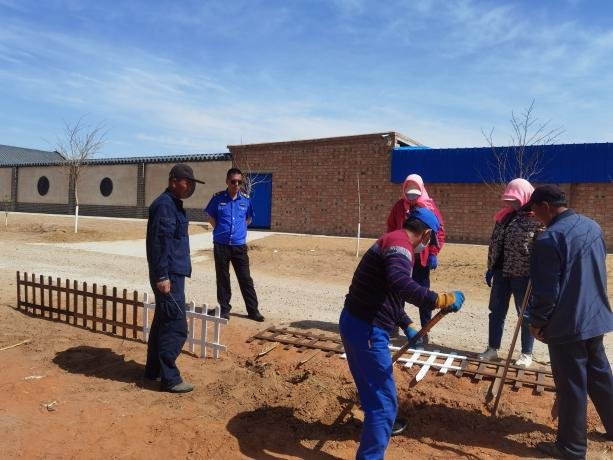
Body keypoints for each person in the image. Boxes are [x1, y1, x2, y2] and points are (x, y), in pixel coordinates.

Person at [340, 207, 465, 460]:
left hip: (354, 322)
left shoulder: (393, 240)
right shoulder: (401, 247)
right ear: (426, 233)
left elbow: (388, 292)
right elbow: (400, 283)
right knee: (385, 404)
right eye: (431, 239)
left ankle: (377, 426)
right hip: (367, 331)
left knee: (369, 390)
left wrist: (407, 323)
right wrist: (439, 299)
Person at [527, 185, 613, 459]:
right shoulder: (591, 227)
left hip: (568, 324)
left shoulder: (549, 239)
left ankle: (571, 448)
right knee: (600, 375)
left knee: (572, 384)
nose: (535, 215)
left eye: (535, 210)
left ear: (545, 207)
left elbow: (546, 290)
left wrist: (538, 321)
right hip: (595, 315)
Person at [145, 163, 204, 393]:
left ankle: (153, 370)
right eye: (186, 182)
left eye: (191, 184)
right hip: (167, 276)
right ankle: (170, 378)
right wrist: (162, 276)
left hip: (173, 274)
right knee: (176, 326)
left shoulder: (173, 205)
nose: (189, 187)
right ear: (173, 181)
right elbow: (159, 243)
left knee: (162, 324)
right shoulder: (165, 206)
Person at [479, 178, 541, 367]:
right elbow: (494, 244)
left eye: (515, 199)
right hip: (501, 273)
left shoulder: (537, 219)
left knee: (525, 314)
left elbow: (543, 249)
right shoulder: (504, 217)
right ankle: (492, 348)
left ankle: (526, 353)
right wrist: (490, 268)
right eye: (510, 200)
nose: (512, 203)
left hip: (524, 275)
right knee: (496, 311)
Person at [386, 174, 446, 338]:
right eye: (409, 193)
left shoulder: (429, 207)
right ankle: (394, 325)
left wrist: (433, 252)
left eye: (415, 194)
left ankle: (424, 331)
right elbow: (391, 227)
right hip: (402, 256)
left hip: (422, 259)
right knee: (398, 291)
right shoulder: (399, 207)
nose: (412, 197)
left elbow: (438, 231)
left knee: (422, 294)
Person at [205, 168, 264, 322]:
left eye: (239, 181)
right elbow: (210, 216)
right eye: (233, 181)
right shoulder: (217, 199)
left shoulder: (245, 200)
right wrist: (219, 229)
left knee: (245, 279)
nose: (236, 184)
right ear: (227, 181)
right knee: (223, 278)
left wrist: (239, 231)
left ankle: (253, 311)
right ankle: (224, 309)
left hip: (239, 246)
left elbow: (248, 219)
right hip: (221, 245)